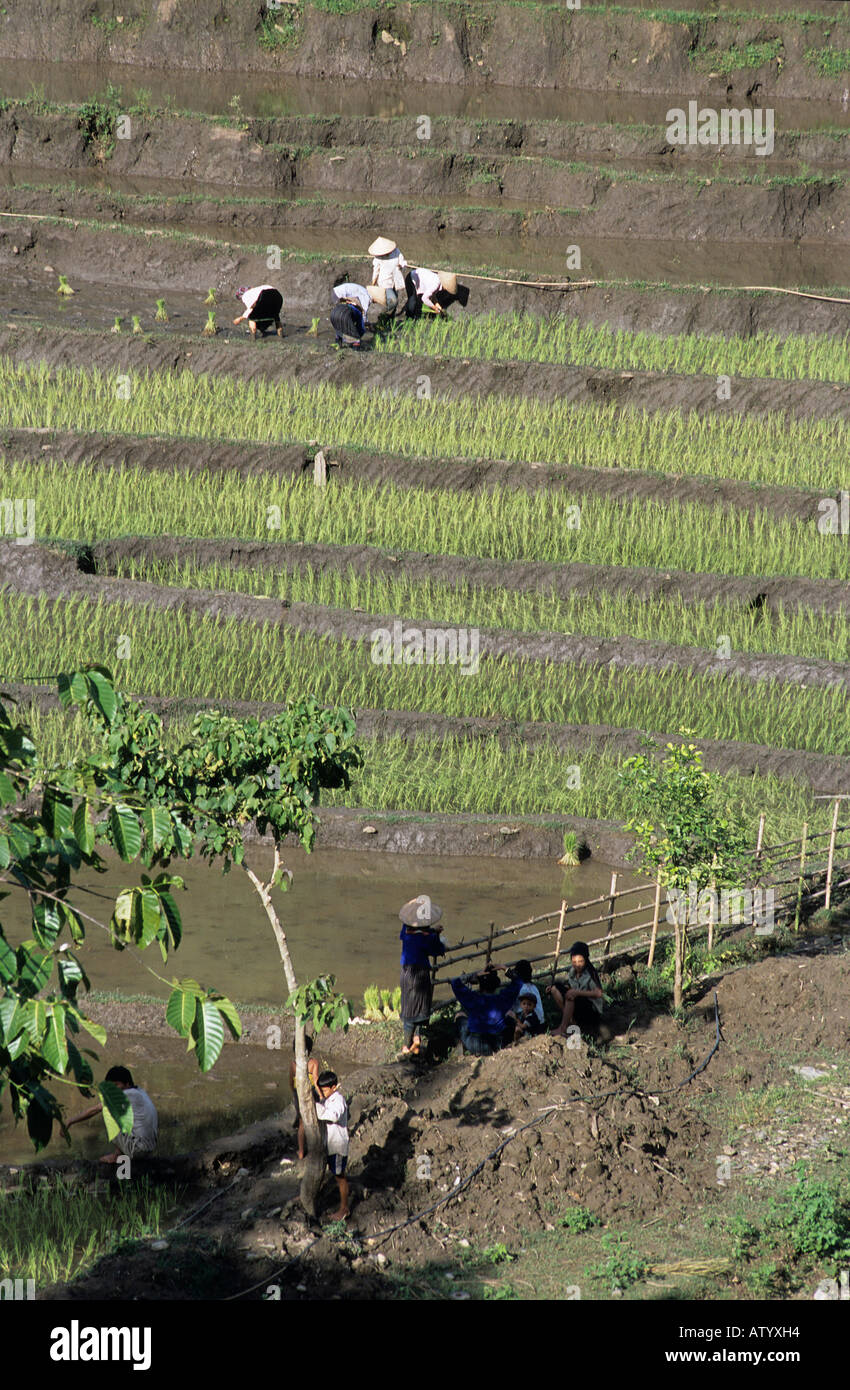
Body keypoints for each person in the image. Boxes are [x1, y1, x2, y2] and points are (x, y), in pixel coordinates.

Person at [65, 1065, 158, 1164]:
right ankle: (122, 1153)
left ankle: (116, 1156)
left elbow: (95, 1110)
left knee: (108, 1111)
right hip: (149, 1149)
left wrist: (70, 1121)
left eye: (116, 1085)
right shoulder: (140, 1092)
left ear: (127, 1084)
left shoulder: (126, 1095)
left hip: (138, 1151)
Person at [398, 894, 446, 1056]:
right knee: (418, 1007)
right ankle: (412, 1042)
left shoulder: (406, 932)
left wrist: (432, 932)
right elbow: (438, 950)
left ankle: (410, 1043)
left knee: (409, 1008)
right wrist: (436, 934)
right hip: (421, 974)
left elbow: (411, 927)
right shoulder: (428, 938)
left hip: (407, 973)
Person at [451, 967, 522, 1056]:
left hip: (474, 1044)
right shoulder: (503, 998)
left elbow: (454, 982)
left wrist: (474, 975)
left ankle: (460, 1046)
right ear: (496, 985)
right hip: (497, 1044)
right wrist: (505, 968)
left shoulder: (472, 998)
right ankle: (512, 1041)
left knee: (460, 1015)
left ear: (480, 984)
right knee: (511, 1015)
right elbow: (518, 981)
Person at [546, 941, 604, 1038]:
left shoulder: (590, 973)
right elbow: (571, 986)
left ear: (586, 959)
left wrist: (577, 992)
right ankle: (572, 1022)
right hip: (579, 1005)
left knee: (570, 996)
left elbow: (598, 993)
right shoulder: (573, 972)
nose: (577, 965)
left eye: (580, 961)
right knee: (555, 988)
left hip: (591, 1011)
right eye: (574, 962)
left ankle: (563, 1028)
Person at [314, 1070, 350, 1221]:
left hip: (337, 1144)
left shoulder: (339, 1100)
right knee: (330, 1173)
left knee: (340, 1177)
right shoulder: (328, 1099)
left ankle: (344, 1209)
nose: (322, 1093)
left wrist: (316, 1107)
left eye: (324, 1090)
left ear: (334, 1087)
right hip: (329, 1144)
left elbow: (333, 1116)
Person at [289, 1035, 321, 1160]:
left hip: (298, 1093)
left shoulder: (293, 1065)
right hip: (311, 1092)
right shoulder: (313, 1063)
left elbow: (291, 1084)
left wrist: (295, 1095)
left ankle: (301, 1151)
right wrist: (322, 1096)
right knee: (315, 1119)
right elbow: (316, 1080)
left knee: (302, 1123)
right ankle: (316, 1148)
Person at [404, 267, 470, 319]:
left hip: (417, 278)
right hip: (411, 279)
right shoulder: (436, 284)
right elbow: (424, 298)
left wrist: (437, 305)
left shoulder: (438, 281)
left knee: (415, 303)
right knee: (412, 302)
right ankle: (409, 317)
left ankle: (413, 314)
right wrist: (434, 308)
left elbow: (433, 295)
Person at [368, 236, 408, 320]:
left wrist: (402, 265)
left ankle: (390, 318)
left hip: (396, 279)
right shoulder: (378, 257)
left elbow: (402, 261)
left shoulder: (396, 251)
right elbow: (376, 271)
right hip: (385, 281)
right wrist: (373, 284)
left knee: (395, 299)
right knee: (393, 300)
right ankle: (382, 315)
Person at [504, 959, 544, 1042]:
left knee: (507, 1015)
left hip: (529, 1023)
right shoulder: (533, 987)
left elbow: (513, 1008)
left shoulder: (520, 989)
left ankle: (509, 1040)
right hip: (541, 1023)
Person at [330, 282, 369, 349]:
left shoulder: (343, 304)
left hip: (333, 313)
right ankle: (355, 352)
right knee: (356, 340)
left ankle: (337, 345)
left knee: (340, 327)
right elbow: (361, 328)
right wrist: (357, 336)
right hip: (345, 315)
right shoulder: (358, 312)